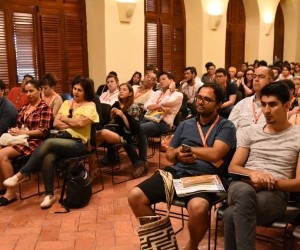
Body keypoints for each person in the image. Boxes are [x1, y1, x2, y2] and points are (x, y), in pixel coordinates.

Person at [128, 82, 236, 250]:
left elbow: (216, 154)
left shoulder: (226, 126)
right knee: (135, 195)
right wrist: (177, 154)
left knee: (198, 207)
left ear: (219, 104)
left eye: (207, 99)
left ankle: (191, 247)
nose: (201, 102)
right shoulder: (185, 124)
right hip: (178, 172)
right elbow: (169, 155)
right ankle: (163, 244)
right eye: (199, 97)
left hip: (205, 178)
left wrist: (186, 149)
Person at [223, 82, 300, 250]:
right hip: (243, 184)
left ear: (287, 105)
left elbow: (299, 183)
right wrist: (254, 174)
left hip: (275, 195)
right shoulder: (251, 130)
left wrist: (269, 182)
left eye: (272, 104)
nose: (266, 110)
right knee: (243, 191)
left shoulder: (298, 136)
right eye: (263, 104)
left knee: (230, 215)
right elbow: (233, 167)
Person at [3, 77, 99, 208]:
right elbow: (56, 123)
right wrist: (73, 124)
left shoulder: (90, 106)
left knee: (48, 142)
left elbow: (81, 123)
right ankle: (50, 195)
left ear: (86, 92)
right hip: (63, 140)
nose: (75, 92)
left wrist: (66, 120)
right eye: (75, 88)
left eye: (80, 90)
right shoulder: (67, 103)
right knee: (47, 158)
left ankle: (22, 174)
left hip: (79, 144)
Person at [0, 79, 53, 206]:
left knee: (2, 155)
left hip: (35, 142)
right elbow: (19, 125)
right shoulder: (24, 107)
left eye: (31, 91)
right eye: (26, 91)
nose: (28, 94)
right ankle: (2, 186)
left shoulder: (44, 108)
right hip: (20, 139)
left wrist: (21, 133)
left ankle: (10, 192)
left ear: (39, 90)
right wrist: (14, 131)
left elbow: (43, 132)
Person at [125, 71, 183, 178]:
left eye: (163, 79)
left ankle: (143, 161)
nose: (160, 81)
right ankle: (138, 163)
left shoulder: (178, 95)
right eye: (160, 79)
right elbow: (146, 106)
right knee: (126, 129)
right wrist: (161, 108)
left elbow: (165, 102)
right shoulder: (157, 93)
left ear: (171, 81)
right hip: (148, 118)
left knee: (140, 128)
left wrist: (170, 90)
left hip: (163, 124)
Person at [229, 66, 274, 140]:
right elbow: (230, 128)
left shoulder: (276, 106)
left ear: (271, 81)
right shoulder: (242, 103)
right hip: (239, 146)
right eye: (254, 76)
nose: (256, 79)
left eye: (261, 76)